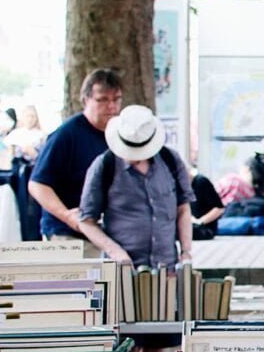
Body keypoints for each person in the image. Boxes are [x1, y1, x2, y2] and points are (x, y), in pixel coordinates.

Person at [77, 104, 194, 267]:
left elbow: (183, 209)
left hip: (167, 268)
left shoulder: (170, 160)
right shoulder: (105, 165)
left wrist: (186, 252)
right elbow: (86, 221)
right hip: (122, 271)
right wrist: (115, 252)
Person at [29, 68, 123, 256]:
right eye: (102, 100)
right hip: (69, 236)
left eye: (116, 99)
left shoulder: (121, 134)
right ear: (85, 100)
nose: (111, 106)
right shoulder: (67, 135)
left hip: (109, 235)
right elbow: (37, 185)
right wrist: (67, 216)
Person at [190, 168, 224, 240]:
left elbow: (219, 208)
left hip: (205, 228)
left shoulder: (201, 182)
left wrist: (199, 222)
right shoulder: (178, 189)